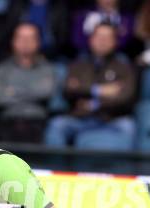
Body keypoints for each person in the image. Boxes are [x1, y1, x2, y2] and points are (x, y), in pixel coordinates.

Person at [45, 22, 136, 150]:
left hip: (111, 118)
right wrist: (100, 91)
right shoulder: (78, 64)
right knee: (57, 125)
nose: (102, 41)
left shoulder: (124, 67)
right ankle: (56, 168)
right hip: (80, 117)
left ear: (115, 42)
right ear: (91, 39)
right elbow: (68, 90)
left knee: (128, 127)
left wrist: (94, 103)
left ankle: (123, 169)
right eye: (99, 37)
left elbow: (126, 97)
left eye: (107, 38)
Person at [0, 22, 56, 142]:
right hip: (8, 122)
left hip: (37, 122)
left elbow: (46, 93)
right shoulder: (1, 69)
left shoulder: (47, 69)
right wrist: (32, 93)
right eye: (21, 37)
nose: (25, 42)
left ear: (38, 42)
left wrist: (12, 91)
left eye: (30, 38)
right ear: (13, 41)